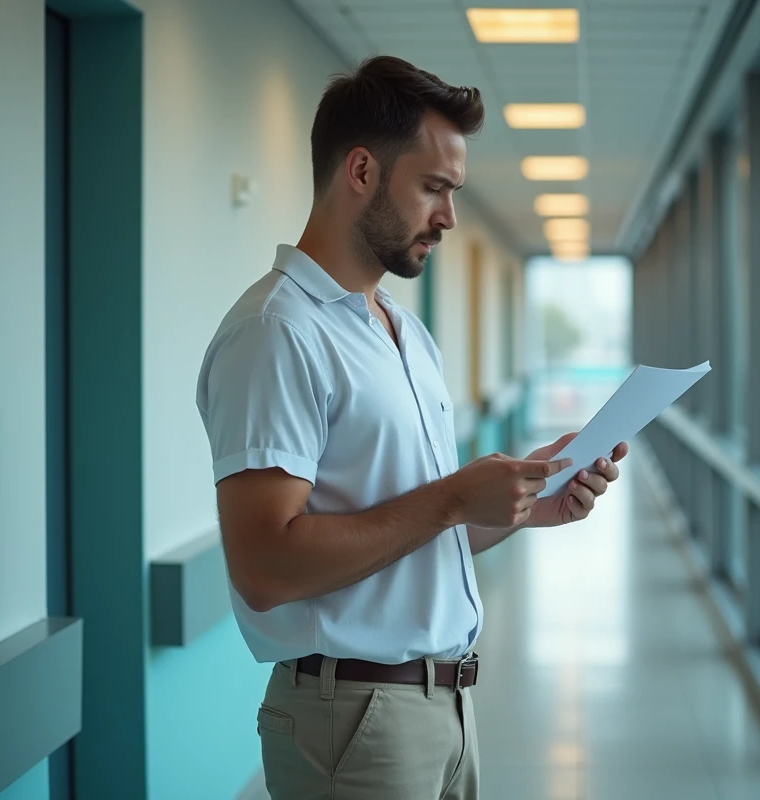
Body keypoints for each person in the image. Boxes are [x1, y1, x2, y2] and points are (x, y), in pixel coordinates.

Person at [195, 55, 627, 800]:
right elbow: (264, 567)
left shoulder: (401, 332)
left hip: (444, 710)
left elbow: (414, 531)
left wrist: (526, 507)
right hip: (355, 721)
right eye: (434, 188)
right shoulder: (277, 333)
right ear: (360, 170)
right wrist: (457, 498)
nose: (449, 217)